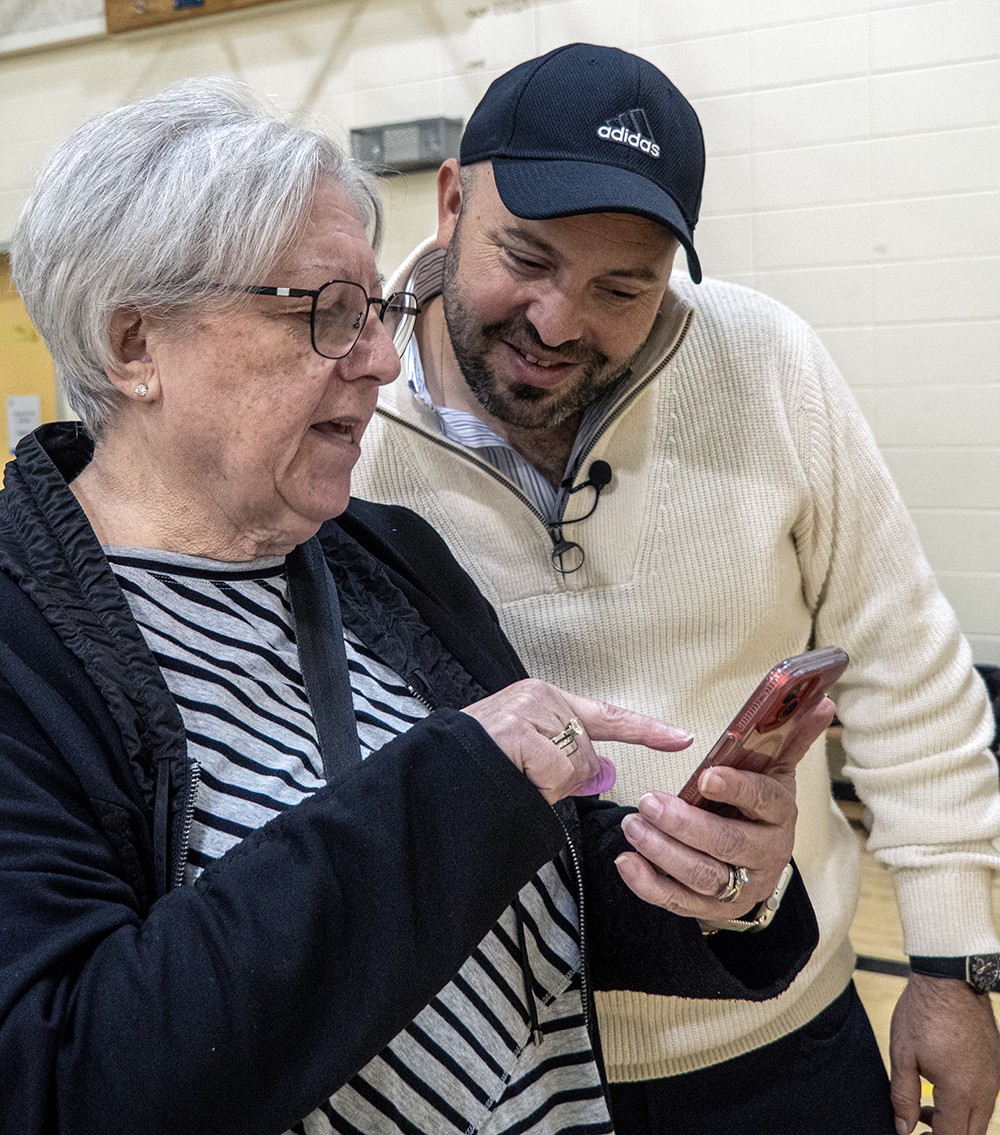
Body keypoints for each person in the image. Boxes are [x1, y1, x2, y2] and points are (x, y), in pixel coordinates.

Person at [0, 77, 830, 1135]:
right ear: (135, 346)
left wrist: (715, 884)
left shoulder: (384, 557)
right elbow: (68, 1079)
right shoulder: (24, 644)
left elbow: (518, 875)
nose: (384, 358)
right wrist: (454, 782)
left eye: (377, 311)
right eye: (328, 315)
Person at [351, 41, 1000, 1135]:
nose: (558, 323)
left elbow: (904, 667)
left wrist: (949, 963)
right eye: (526, 257)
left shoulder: (764, 361)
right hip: (467, 1067)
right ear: (452, 198)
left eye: (622, 287)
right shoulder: (340, 406)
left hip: (775, 1033)